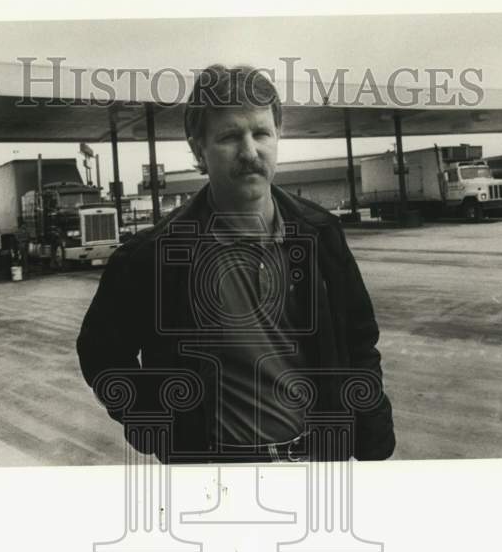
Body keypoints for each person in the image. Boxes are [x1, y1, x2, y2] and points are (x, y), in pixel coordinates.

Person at [76, 64, 395, 463]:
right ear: (198, 150)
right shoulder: (154, 256)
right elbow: (101, 355)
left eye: (261, 132)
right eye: (229, 136)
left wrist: (372, 443)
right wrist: (161, 432)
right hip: (214, 476)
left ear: (278, 136)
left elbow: (358, 343)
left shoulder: (321, 234)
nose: (249, 152)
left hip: (316, 462)